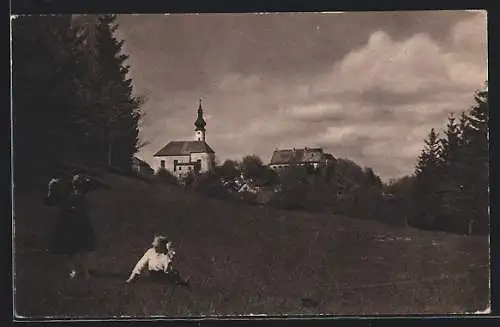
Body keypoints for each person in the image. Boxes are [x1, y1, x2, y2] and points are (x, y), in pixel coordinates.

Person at [44, 166, 97, 279]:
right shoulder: (63, 186)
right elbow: (52, 200)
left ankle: (84, 270)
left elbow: (92, 185)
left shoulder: (82, 189)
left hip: (80, 219)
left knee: (83, 245)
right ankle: (75, 270)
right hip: (69, 219)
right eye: (77, 177)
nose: (78, 179)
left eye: (81, 177)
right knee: (70, 246)